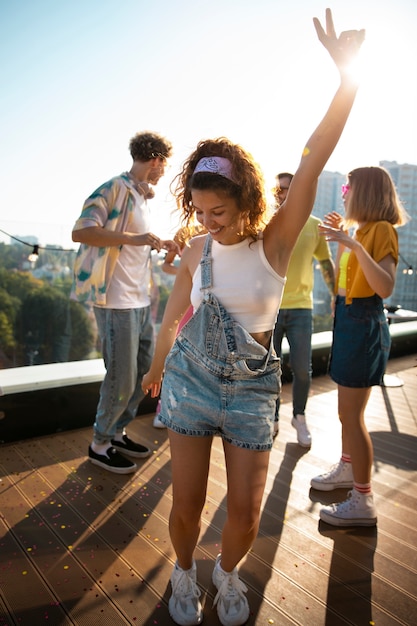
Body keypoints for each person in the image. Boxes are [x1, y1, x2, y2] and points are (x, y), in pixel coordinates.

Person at [142, 10, 365, 626]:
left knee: (243, 512)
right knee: (186, 504)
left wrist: (346, 79)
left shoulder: (275, 242)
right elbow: (172, 316)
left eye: (219, 211)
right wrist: (157, 366)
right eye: (200, 210)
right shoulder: (195, 250)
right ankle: (184, 572)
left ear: (247, 201)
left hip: (251, 386)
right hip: (189, 380)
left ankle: (228, 573)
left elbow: (316, 154)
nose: (208, 221)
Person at [71, 131, 178, 474]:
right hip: (114, 301)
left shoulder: (141, 196)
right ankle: (99, 444)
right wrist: (136, 238)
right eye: (164, 164)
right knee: (121, 376)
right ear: (156, 159)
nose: (163, 172)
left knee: (143, 372)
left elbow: (132, 244)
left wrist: (156, 242)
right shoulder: (113, 188)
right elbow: (82, 231)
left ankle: (117, 431)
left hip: (139, 301)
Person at [310, 166, 408, 526]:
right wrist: (343, 239)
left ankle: (363, 501)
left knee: (353, 417)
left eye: (349, 187)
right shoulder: (361, 230)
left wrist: (351, 243)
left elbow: (384, 287)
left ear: (365, 192)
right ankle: (348, 471)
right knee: (345, 414)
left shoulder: (380, 231)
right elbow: (343, 284)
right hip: (349, 320)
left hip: (364, 324)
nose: (345, 192)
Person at [272, 172, 335, 446]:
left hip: (301, 309)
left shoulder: (315, 226)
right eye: (277, 190)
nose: (280, 194)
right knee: (268, 369)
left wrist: (336, 295)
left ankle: (299, 416)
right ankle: (270, 417)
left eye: (285, 189)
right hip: (269, 309)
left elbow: (326, 262)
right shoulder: (268, 223)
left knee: (301, 369)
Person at [153, 222, 206, 429]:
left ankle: (195, 410)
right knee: (176, 355)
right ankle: (163, 408)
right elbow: (166, 265)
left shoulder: (216, 229)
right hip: (184, 302)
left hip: (204, 303)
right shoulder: (183, 233)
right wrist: (185, 273)